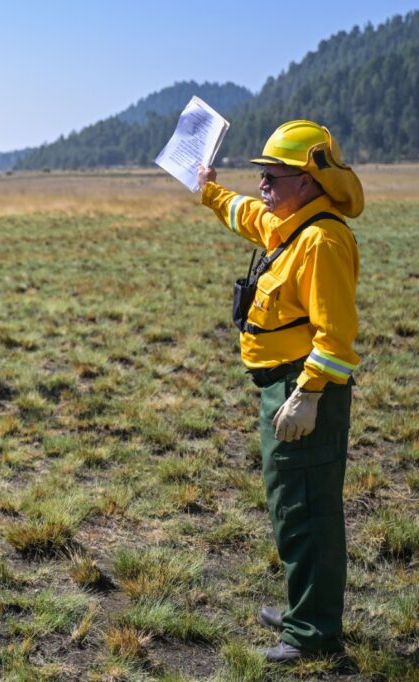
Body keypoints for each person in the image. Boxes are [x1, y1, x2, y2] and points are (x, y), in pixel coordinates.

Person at [196, 120, 363, 663]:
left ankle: (314, 635)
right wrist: (208, 189)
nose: (263, 183)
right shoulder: (287, 225)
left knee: (308, 508)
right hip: (282, 388)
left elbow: (336, 337)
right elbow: (247, 212)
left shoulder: (322, 241)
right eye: (262, 174)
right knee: (290, 504)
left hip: (304, 390)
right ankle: (302, 609)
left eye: (274, 175)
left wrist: (309, 395)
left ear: (310, 181)